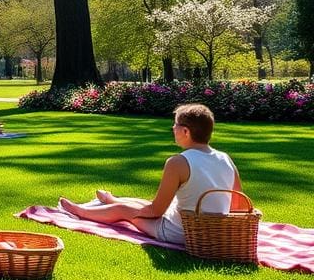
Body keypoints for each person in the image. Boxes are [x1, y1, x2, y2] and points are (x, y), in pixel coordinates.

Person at [59, 103, 243, 243]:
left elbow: (156, 211)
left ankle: (80, 211)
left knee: (124, 211)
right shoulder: (226, 158)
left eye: (175, 125)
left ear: (185, 131)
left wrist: (130, 210)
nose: (173, 128)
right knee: (140, 204)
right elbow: (238, 206)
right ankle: (112, 200)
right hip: (214, 231)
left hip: (180, 232)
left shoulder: (178, 162)